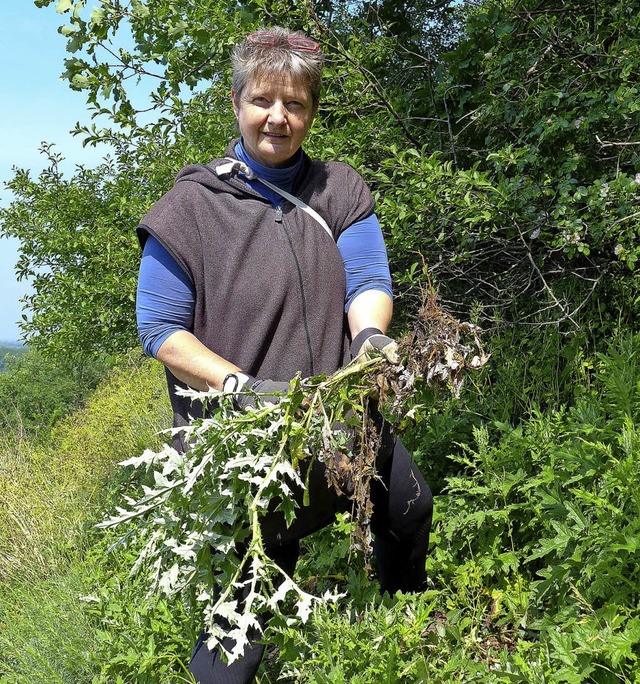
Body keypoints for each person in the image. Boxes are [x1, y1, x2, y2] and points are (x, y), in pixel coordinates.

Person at [135, 26, 433, 684]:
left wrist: (372, 337)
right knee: (241, 623)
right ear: (237, 102)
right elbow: (160, 330)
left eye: (295, 103)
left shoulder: (340, 191)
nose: (278, 116)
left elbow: (367, 283)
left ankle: (404, 628)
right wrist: (239, 385)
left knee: (408, 506)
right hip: (243, 447)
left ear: (312, 112)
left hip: (338, 422)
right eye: (263, 99)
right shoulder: (189, 209)